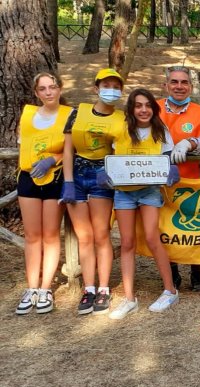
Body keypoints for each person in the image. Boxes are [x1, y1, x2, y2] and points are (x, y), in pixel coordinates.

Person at [108, 89, 181, 319]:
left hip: (150, 191)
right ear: (131, 108)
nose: (143, 110)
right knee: (127, 242)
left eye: (148, 105)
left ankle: (170, 290)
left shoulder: (161, 131)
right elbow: (112, 158)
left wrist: (171, 170)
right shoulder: (120, 130)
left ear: (154, 108)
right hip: (124, 193)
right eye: (138, 105)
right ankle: (129, 298)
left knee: (151, 237)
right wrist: (105, 172)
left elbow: (167, 159)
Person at [62, 68, 125, 315]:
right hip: (76, 176)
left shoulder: (122, 118)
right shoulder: (78, 112)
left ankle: (103, 288)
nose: (111, 90)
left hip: (103, 177)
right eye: (106, 85)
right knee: (83, 236)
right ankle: (88, 287)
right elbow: (68, 149)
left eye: (116, 86)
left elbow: (124, 148)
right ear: (95, 88)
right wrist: (67, 181)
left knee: (101, 234)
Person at [15, 72, 75, 314]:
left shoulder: (69, 115)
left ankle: (45, 288)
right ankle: (31, 287)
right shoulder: (28, 114)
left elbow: (74, 149)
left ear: (60, 88)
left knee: (50, 235)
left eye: (52, 87)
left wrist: (53, 158)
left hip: (55, 177)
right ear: (36, 92)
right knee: (32, 235)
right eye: (43, 89)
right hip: (29, 177)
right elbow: (24, 144)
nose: (48, 92)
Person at [159, 65, 200, 292]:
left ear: (191, 87)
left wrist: (190, 142)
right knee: (166, 228)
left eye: (184, 82)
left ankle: (196, 272)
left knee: (195, 227)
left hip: (194, 180)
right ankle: (172, 273)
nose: (179, 86)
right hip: (162, 181)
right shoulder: (152, 109)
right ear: (166, 85)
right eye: (174, 82)